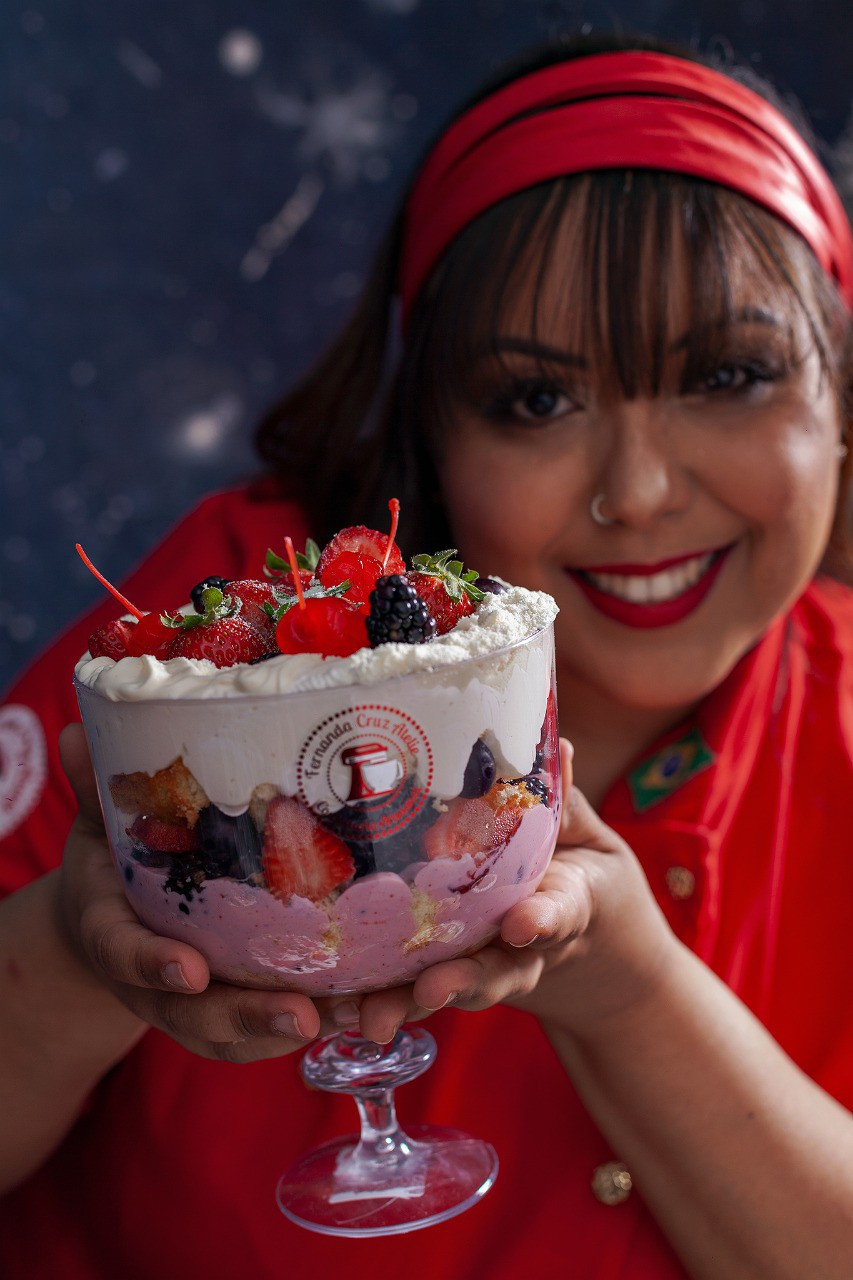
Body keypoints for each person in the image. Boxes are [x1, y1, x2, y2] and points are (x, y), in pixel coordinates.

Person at [2, 27, 853, 1279]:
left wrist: (625, 994)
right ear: (429, 437)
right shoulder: (224, 636)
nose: (640, 488)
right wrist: (77, 960)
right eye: (535, 399)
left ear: (840, 404)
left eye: (728, 374)